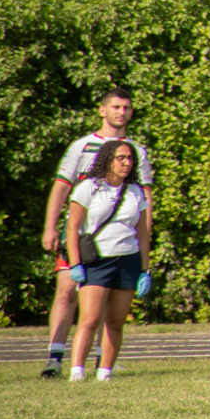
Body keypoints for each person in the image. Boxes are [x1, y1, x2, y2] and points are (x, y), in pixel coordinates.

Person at [39, 86, 153, 379]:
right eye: (115, 107)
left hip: (120, 242)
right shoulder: (82, 145)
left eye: (126, 107)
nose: (121, 112)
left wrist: (144, 245)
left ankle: (104, 360)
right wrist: (51, 226)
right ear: (103, 110)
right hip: (82, 236)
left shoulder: (137, 151)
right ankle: (56, 356)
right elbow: (63, 186)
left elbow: (145, 201)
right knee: (67, 290)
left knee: (111, 300)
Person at [62, 139, 150, 383]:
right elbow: (73, 228)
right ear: (107, 159)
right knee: (89, 318)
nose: (126, 163)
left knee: (116, 320)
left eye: (130, 159)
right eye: (120, 158)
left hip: (128, 259)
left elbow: (142, 233)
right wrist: (75, 263)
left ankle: (105, 371)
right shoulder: (89, 187)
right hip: (97, 259)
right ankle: (77, 370)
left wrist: (145, 269)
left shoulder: (135, 191)